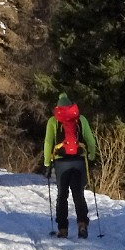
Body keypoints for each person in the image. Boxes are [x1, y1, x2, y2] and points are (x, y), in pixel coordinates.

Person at [43, 93, 98, 238]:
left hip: (61, 162)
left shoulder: (53, 121)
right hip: (79, 160)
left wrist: (47, 164)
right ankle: (82, 225)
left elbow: (48, 142)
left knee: (62, 195)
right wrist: (92, 156)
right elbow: (90, 140)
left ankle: (63, 229)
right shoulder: (81, 119)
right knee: (78, 194)